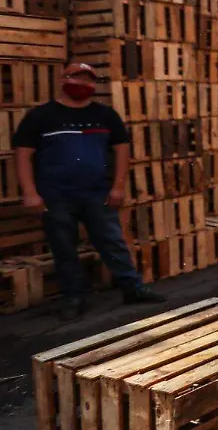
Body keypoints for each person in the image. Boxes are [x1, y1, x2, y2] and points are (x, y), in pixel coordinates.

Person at [13, 62, 166, 321]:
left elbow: (122, 151)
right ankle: (74, 297)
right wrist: (30, 192)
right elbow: (23, 154)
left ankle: (132, 288)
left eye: (88, 80)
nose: (83, 84)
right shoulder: (41, 116)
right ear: (63, 80)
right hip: (55, 194)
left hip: (97, 192)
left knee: (112, 241)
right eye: (77, 78)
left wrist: (118, 187)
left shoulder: (105, 115)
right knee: (63, 246)